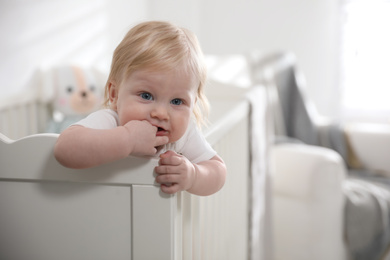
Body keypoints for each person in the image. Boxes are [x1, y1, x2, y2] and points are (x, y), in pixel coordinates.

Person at [54, 21, 226, 196]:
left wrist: (193, 175)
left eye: (176, 101)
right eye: (146, 96)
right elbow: (64, 148)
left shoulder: (184, 135)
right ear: (115, 95)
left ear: (193, 103)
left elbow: (218, 170)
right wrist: (127, 138)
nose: (161, 113)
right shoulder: (111, 122)